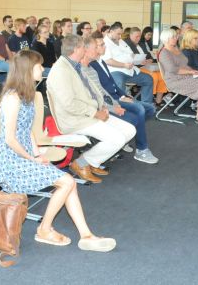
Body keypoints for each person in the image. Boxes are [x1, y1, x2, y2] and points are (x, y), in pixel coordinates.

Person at [0, 49, 116, 252]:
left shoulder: (25, 96)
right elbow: (9, 139)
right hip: (13, 161)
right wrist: (32, 158)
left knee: (69, 184)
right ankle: (44, 229)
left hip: (26, 157)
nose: (42, 69)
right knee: (67, 182)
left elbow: (27, 131)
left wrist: (37, 154)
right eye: (39, 66)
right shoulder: (12, 98)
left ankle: (86, 235)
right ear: (27, 69)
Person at [48, 35, 138, 183]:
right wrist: (96, 113)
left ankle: (91, 162)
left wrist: (103, 106)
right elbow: (69, 104)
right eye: (84, 47)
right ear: (76, 49)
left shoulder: (75, 65)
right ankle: (81, 163)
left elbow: (94, 90)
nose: (86, 50)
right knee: (117, 139)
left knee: (129, 130)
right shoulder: (61, 70)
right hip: (75, 119)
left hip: (89, 113)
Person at [86, 34, 159, 162]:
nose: (104, 47)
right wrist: (119, 100)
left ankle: (125, 137)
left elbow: (113, 85)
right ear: (93, 48)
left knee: (150, 108)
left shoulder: (101, 62)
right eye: (101, 45)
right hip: (110, 101)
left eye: (104, 44)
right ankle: (141, 150)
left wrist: (124, 95)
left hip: (117, 97)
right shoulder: (92, 65)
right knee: (139, 110)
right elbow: (101, 91)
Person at [101, 23, 155, 104]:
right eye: (118, 34)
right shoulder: (105, 43)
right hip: (115, 71)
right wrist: (124, 65)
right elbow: (108, 61)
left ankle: (146, 104)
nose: (120, 36)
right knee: (119, 83)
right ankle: (122, 106)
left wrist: (139, 61)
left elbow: (131, 54)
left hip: (130, 69)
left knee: (148, 79)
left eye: (121, 34)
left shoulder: (121, 41)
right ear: (111, 31)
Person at [125, 27, 168, 106]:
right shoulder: (125, 44)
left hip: (146, 66)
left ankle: (158, 101)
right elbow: (126, 59)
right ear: (130, 35)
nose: (138, 38)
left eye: (139, 36)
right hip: (136, 67)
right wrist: (139, 62)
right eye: (136, 36)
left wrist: (150, 60)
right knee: (153, 76)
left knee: (162, 76)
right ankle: (149, 99)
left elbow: (149, 55)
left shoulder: (141, 44)